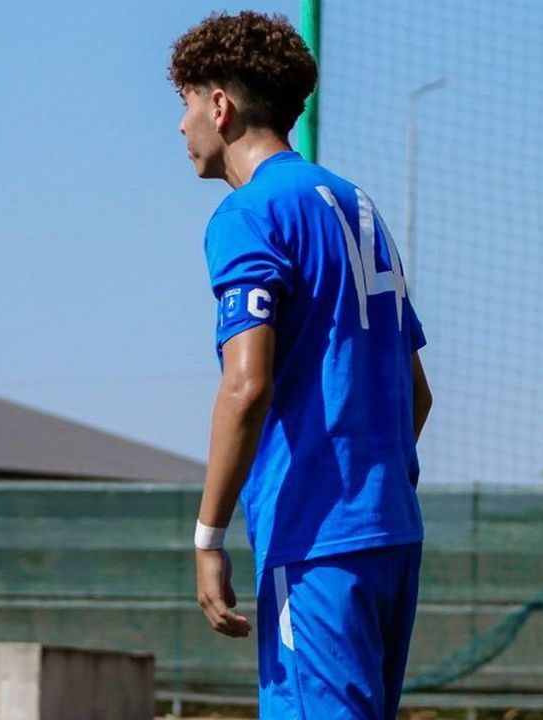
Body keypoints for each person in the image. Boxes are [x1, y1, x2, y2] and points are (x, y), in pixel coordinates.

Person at [170, 11, 433, 720]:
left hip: (315, 539)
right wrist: (367, 483)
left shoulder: (250, 214)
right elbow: (417, 393)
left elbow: (246, 385)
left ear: (219, 106)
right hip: (391, 534)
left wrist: (208, 538)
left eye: (185, 102)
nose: (181, 125)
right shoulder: (358, 206)